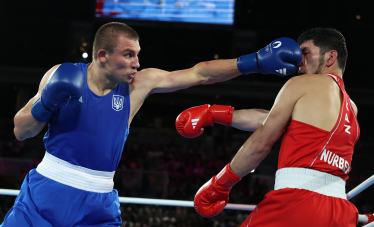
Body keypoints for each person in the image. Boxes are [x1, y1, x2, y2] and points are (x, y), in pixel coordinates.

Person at [1, 22, 301, 226]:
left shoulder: (138, 85)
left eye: (138, 55)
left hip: (98, 201)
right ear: (103, 55)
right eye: (129, 55)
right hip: (45, 192)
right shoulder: (62, 75)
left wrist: (255, 61)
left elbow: (200, 74)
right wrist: (46, 102)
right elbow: (21, 130)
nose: (136, 63)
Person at [180, 27, 363, 226]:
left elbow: (261, 142)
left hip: (297, 204)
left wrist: (220, 185)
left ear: (330, 57)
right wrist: (215, 114)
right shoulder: (351, 109)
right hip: (340, 213)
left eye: (305, 53)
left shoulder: (303, 84)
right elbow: (274, 121)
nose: (297, 59)